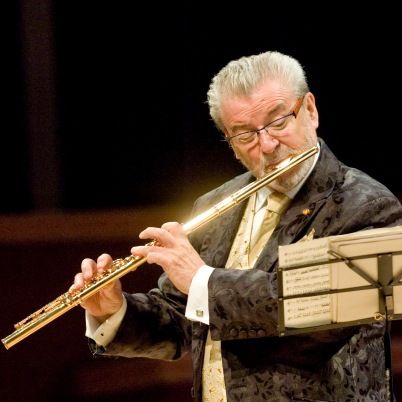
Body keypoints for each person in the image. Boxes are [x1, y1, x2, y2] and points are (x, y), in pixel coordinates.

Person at [71, 51, 402, 401]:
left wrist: (202, 280)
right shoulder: (215, 206)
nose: (268, 145)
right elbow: (182, 320)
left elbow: (310, 313)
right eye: (245, 135)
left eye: (278, 122)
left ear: (310, 110)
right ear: (229, 142)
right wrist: (114, 310)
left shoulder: (369, 206)